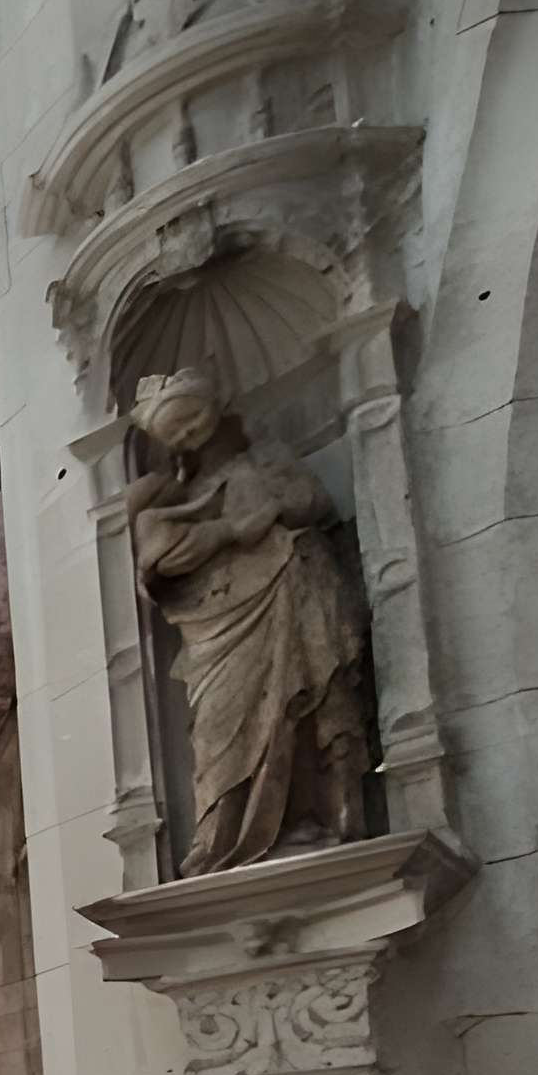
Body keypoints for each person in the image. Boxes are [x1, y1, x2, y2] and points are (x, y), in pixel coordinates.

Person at [124, 367, 373, 876]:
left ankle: (305, 817)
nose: (190, 434)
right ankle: (218, 836)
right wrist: (223, 532)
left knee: (295, 702)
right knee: (217, 727)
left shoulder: (262, 460)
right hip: (215, 622)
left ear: (216, 411)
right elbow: (156, 563)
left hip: (282, 590)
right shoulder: (172, 500)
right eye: (176, 432)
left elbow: (314, 501)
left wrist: (271, 505)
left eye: (193, 419)